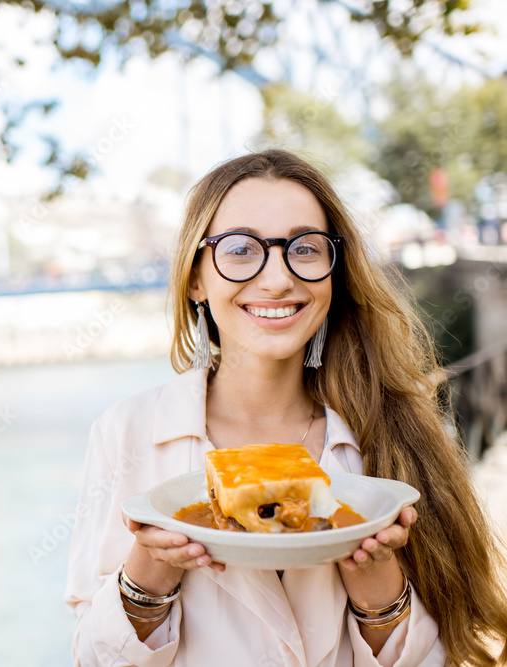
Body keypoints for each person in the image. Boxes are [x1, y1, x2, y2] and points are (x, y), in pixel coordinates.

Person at [64, 150, 507, 666]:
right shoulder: (126, 432)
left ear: (334, 274)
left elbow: (455, 653)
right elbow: (91, 659)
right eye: (239, 249)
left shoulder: (395, 433)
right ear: (195, 279)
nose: (277, 279)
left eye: (305, 248)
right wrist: (149, 574)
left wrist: (377, 592)